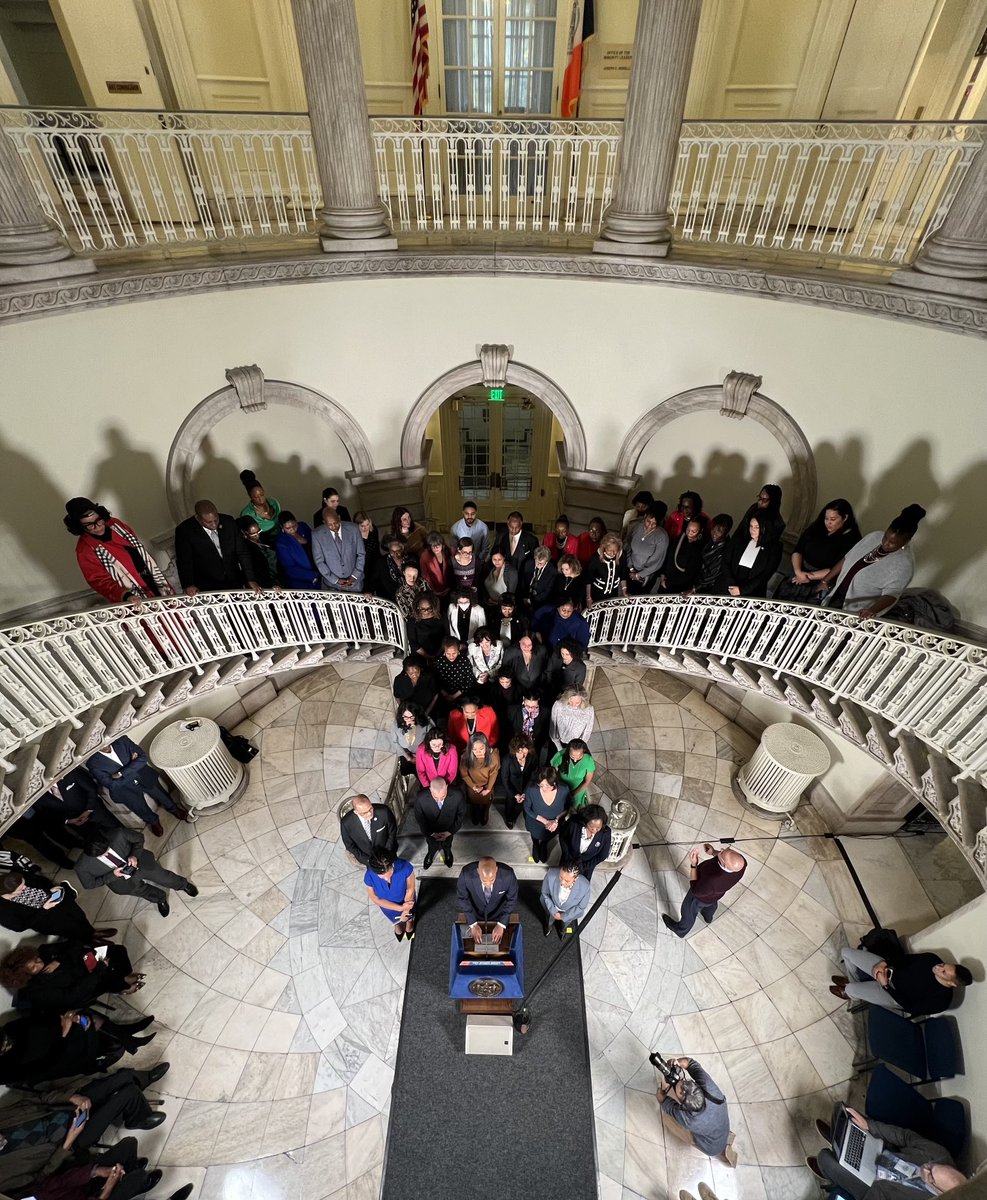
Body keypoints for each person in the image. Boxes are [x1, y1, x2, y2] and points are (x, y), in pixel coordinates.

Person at [0, 1065, 172, 1193]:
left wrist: (70, 1097)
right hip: (70, 1141)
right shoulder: (4, 1177)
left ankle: (145, 1079)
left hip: (62, 1109)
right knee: (127, 1093)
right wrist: (68, 1143)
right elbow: (41, 1178)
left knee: (122, 1077)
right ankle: (137, 1118)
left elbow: (38, 1099)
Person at [806, 1106, 967, 1199]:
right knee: (844, 1112)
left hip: (872, 1187)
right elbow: (905, 1137)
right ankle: (840, 1143)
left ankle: (829, 1168)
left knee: (824, 1157)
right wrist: (869, 1126)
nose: (926, 1167)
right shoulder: (940, 1155)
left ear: (939, 1192)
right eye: (932, 1166)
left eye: (930, 1175)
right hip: (884, 1154)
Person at [64, 498, 173, 606]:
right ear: (79, 527)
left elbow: (140, 550)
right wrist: (125, 595)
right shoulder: (85, 550)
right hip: (132, 597)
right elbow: (100, 581)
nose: (97, 527)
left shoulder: (116, 525)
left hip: (153, 580)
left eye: (99, 520)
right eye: (89, 525)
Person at [0, 1010, 155, 1086]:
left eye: (7, 1039)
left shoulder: (10, 1029)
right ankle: (128, 1038)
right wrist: (64, 1033)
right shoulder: (6, 1070)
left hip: (60, 1032)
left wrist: (64, 1019)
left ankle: (127, 1035)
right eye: (6, 1045)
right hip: (63, 1056)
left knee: (84, 1016)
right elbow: (48, 1065)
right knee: (88, 1027)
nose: (9, 1041)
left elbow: (40, 1018)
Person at [826, 504, 926, 618]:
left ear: (906, 541)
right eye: (885, 537)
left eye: (892, 543)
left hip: (857, 610)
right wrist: (825, 580)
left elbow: (892, 594)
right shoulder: (874, 537)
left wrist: (871, 610)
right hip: (836, 593)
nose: (886, 543)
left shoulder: (904, 564)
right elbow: (847, 558)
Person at [75, 827, 198, 919]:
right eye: (101, 855)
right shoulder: (82, 866)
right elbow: (89, 884)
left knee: (164, 877)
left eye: (107, 850)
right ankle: (160, 899)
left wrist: (134, 855)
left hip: (141, 862)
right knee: (142, 891)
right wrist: (112, 875)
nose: (106, 854)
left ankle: (183, 885)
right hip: (119, 880)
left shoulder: (118, 834)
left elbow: (139, 838)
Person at [87, 737, 194, 835]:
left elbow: (143, 758)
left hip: (143, 775)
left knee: (160, 794)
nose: (104, 744)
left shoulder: (122, 740)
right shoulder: (92, 763)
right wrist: (133, 764)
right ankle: (153, 821)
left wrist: (120, 774)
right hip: (124, 788)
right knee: (139, 807)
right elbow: (110, 783)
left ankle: (173, 808)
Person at [0, 940, 140, 1010]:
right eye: (33, 967)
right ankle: (121, 985)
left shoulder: (44, 952)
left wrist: (58, 960)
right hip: (84, 986)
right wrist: (98, 971)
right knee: (109, 977)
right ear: (25, 975)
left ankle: (123, 977)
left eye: (36, 959)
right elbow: (72, 995)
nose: (39, 963)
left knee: (119, 951)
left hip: (86, 963)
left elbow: (73, 944)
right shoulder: (37, 990)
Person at [831, 947, 972, 1015]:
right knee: (846, 952)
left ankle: (850, 991)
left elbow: (911, 1008)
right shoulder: (932, 959)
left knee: (850, 989)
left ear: (951, 983)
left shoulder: (941, 1001)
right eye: (943, 965)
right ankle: (854, 983)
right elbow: (905, 959)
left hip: (892, 994)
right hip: (889, 971)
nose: (938, 967)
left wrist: (886, 986)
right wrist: (884, 963)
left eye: (943, 972)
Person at [776, 497, 861, 604]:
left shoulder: (851, 539)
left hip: (820, 582)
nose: (828, 523)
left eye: (833, 519)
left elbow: (837, 568)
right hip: (797, 574)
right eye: (826, 519)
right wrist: (799, 572)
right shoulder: (816, 527)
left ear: (845, 518)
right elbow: (798, 550)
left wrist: (808, 576)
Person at [656, 1055, 735, 1165]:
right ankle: (725, 1140)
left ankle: (722, 1153)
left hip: (711, 1148)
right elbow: (690, 1063)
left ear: (684, 1107)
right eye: (683, 1081)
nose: (679, 1081)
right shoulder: (711, 1089)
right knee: (713, 1128)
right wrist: (678, 1062)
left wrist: (663, 1089)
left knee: (667, 1118)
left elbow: (661, 1099)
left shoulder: (690, 1121)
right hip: (723, 1128)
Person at [0, 870, 111, 945]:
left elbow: (42, 881)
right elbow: (20, 927)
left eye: (24, 884)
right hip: (47, 920)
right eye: (21, 889)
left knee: (79, 916)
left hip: (59, 902)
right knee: (72, 931)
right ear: (8, 892)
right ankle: (90, 941)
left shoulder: (19, 876)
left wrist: (50, 889)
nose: (25, 887)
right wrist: (44, 909)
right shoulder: (3, 909)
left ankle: (92, 932)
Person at [174, 499, 259, 596]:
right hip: (207, 584)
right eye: (209, 522)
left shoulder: (228, 522)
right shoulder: (184, 530)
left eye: (216, 520)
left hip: (234, 579)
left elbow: (242, 552)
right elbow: (184, 561)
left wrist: (250, 579)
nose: (214, 525)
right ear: (197, 518)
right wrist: (188, 584)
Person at [30, 767, 118, 857]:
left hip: (97, 813)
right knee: (96, 845)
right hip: (78, 824)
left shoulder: (70, 774)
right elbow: (47, 815)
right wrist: (67, 821)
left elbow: (91, 789)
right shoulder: (37, 798)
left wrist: (88, 810)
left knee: (117, 833)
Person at [662, 843, 747, 937]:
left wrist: (694, 864)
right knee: (711, 903)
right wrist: (713, 852)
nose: (722, 849)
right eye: (727, 849)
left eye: (722, 853)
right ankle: (708, 917)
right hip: (715, 895)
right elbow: (726, 859)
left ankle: (681, 930)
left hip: (700, 897)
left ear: (725, 866)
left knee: (688, 911)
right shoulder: (741, 863)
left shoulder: (712, 881)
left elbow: (695, 890)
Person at [717, 514, 783, 598]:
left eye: (757, 527)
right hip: (727, 587)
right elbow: (725, 561)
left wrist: (742, 590)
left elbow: (766, 574)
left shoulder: (774, 547)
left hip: (752, 593)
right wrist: (731, 585)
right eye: (751, 526)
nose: (752, 529)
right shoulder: (740, 538)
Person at [456, 858, 518, 943]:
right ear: (478, 871)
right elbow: (463, 898)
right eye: (484, 881)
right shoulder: (465, 874)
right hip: (476, 910)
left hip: (498, 912)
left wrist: (501, 924)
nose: (488, 885)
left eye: (492, 880)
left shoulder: (509, 875)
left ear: (496, 870)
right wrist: (473, 924)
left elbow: (511, 899)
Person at [414, 777, 466, 870]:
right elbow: (420, 819)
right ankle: (431, 854)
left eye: (443, 796)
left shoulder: (458, 795)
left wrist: (450, 831)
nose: (439, 801)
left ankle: (447, 852)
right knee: (431, 845)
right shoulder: (420, 798)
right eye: (435, 797)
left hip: (448, 829)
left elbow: (461, 815)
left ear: (447, 787)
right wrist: (431, 833)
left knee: (447, 844)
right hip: (431, 830)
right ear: (430, 790)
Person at [364, 849, 417, 941]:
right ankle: (396, 924)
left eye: (389, 874)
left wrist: (406, 911)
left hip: (407, 900)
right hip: (387, 905)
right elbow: (375, 898)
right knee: (394, 919)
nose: (386, 878)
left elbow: (410, 890)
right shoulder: (369, 875)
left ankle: (409, 923)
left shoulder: (405, 866)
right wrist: (400, 908)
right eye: (382, 876)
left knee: (409, 916)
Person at [524, 765, 570, 864]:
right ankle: (535, 845)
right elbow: (527, 808)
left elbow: (567, 808)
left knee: (548, 836)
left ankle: (543, 844)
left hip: (554, 823)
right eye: (541, 785)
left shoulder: (564, 790)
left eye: (547, 786)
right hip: (535, 821)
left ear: (554, 782)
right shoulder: (532, 789)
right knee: (535, 836)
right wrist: (545, 821)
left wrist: (555, 820)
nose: (544, 788)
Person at [312, 507, 365, 593]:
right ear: (324, 522)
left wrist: (355, 576)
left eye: (335, 523)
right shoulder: (317, 535)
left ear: (339, 518)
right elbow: (319, 562)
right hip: (332, 586)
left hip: (355, 583)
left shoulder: (353, 529)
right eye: (330, 525)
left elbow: (361, 554)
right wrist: (335, 580)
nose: (334, 527)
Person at [340, 794, 398, 868]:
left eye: (370, 809)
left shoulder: (384, 811)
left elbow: (392, 831)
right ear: (356, 812)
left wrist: (386, 853)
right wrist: (368, 861)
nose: (369, 813)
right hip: (368, 860)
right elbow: (350, 845)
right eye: (364, 813)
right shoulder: (346, 823)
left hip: (388, 853)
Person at [559, 804, 612, 879]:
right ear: (586, 821)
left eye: (598, 828)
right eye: (591, 826)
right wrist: (566, 856)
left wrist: (584, 867)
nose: (594, 830)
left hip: (586, 868)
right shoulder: (573, 823)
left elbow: (602, 856)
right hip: (568, 861)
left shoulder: (605, 833)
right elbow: (563, 837)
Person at [459, 733, 500, 826]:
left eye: (481, 749)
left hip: (487, 784)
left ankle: (485, 811)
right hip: (472, 784)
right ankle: (475, 809)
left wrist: (488, 789)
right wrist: (473, 787)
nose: (478, 752)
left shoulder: (493, 756)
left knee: (487, 800)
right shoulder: (465, 757)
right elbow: (464, 775)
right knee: (473, 800)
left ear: (486, 747)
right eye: (475, 749)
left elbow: (494, 773)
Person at [540, 863, 589, 938]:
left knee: (565, 923)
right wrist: (553, 911)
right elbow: (545, 893)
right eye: (561, 877)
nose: (562, 882)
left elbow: (581, 907)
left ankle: (562, 930)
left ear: (575, 879)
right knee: (549, 918)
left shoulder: (585, 886)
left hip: (569, 911)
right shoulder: (551, 874)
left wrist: (563, 916)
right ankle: (548, 927)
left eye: (567, 881)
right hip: (552, 906)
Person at [274, 510, 320, 590]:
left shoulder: (303, 527)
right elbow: (290, 569)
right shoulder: (281, 542)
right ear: (282, 527)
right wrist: (313, 576)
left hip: (319, 569)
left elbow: (316, 543)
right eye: (288, 528)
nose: (292, 529)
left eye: (294, 525)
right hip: (302, 581)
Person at [658, 518, 706, 594]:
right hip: (665, 580)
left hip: (679, 588)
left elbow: (690, 574)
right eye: (688, 529)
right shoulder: (680, 539)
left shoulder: (699, 549)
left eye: (693, 531)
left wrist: (668, 584)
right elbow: (668, 556)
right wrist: (662, 574)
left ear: (700, 531)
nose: (689, 533)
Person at [627, 507, 669, 593]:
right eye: (648, 521)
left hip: (646, 576)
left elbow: (657, 562)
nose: (650, 526)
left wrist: (639, 574)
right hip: (630, 570)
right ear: (645, 516)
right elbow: (628, 546)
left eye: (654, 524)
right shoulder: (637, 527)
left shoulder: (662, 537)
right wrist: (631, 567)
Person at [500, 734, 536, 830]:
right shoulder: (507, 759)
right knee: (510, 804)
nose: (522, 756)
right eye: (519, 752)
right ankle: (509, 818)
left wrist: (525, 793)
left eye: (525, 752)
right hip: (512, 788)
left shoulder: (533, 757)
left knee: (528, 806)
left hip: (527, 787)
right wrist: (515, 794)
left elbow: (533, 777)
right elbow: (504, 779)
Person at [583, 534, 629, 607]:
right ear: (604, 547)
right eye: (609, 550)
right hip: (597, 594)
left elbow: (623, 574)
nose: (613, 553)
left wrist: (624, 590)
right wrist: (588, 597)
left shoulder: (622, 556)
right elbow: (588, 580)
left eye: (615, 551)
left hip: (613, 594)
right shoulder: (595, 558)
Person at [692, 514, 733, 595]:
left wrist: (694, 589)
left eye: (719, 531)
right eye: (713, 529)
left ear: (726, 532)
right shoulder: (708, 541)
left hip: (710, 590)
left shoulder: (726, 550)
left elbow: (713, 576)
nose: (714, 533)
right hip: (697, 583)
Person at [238, 470, 282, 544]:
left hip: (283, 537)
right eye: (256, 497)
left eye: (262, 495)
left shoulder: (273, 502)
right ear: (250, 497)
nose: (261, 499)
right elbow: (251, 539)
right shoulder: (247, 514)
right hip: (266, 544)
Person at [550, 739, 596, 809]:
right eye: (572, 756)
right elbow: (554, 771)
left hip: (579, 788)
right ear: (568, 751)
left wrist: (573, 794)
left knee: (575, 806)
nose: (575, 760)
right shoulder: (561, 755)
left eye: (579, 756)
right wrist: (559, 784)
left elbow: (587, 781)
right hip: (561, 785)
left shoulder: (588, 760)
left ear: (584, 751)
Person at [434, 637, 475, 714]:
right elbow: (435, 680)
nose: (451, 656)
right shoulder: (439, 662)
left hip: (461, 693)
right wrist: (445, 695)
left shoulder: (464, 660)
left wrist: (454, 696)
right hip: (443, 694)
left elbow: (468, 680)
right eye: (448, 654)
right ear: (444, 651)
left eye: (454, 653)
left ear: (458, 651)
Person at [237, 516, 279, 587]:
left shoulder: (264, 538)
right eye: (253, 533)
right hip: (265, 583)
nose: (257, 535)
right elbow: (256, 571)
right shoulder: (246, 549)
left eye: (259, 531)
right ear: (244, 532)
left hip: (277, 577)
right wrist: (272, 584)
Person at [550, 687, 595, 751]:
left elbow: (587, 731)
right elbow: (553, 727)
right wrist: (559, 748)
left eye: (577, 702)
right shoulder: (558, 705)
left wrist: (578, 748)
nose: (574, 705)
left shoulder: (589, 710)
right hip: (558, 743)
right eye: (571, 702)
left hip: (577, 746)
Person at [508, 693, 551, 760]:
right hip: (517, 743)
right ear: (523, 699)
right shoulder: (513, 710)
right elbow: (509, 728)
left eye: (534, 706)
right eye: (527, 706)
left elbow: (545, 730)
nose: (530, 709)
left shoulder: (545, 712)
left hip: (535, 744)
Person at [391, 704, 429, 779]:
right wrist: (408, 757)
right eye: (406, 717)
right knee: (409, 770)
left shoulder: (425, 722)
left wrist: (420, 755)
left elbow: (431, 738)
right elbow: (394, 742)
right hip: (406, 754)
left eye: (412, 717)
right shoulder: (396, 724)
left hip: (423, 753)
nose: (409, 720)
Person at [406, 594, 445, 661]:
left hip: (440, 652)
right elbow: (413, 643)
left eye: (429, 608)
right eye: (423, 609)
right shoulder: (412, 621)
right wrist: (427, 656)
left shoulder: (441, 617)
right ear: (418, 607)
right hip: (420, 654)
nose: (426, 611)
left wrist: (439, 653)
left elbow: (446, 636)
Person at [481, 548, 519, 613]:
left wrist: (500, 604)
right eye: (494, 559)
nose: (497, 562)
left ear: (504, 557)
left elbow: (511, 595)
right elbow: (482, 585)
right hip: (488, 605)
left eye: (499, 559)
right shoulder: (488, 568)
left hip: (503, 609)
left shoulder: (511, 572)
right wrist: (487, 598)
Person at [419, 532, 454, 602]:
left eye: (438, 545)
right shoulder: (425, 556)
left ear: (442, 544)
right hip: (434, 591)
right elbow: (425, 576)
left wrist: (450, 588)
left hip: (449, 589)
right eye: (433, 546)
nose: (436, 548)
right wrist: (434, 591)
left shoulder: (448, 551)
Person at [521, 546, 557, 612]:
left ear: (547, 561)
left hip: (541, 602)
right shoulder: (528, 564)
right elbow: (523, 583)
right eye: (536, 561)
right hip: (525, 598)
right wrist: (524, 598)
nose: (538, 564)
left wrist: (531, 601)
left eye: (541, 563)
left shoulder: (552, 571)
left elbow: (547, 592)